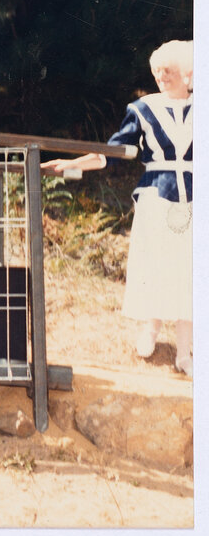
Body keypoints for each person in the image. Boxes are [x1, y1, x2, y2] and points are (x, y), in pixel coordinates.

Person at [42, 40, 193, 376]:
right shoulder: (142, 109)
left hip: (197, 200)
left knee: (191, 271)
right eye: (156, 71)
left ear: (187, 72)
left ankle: (186, 352)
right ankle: (149, 331)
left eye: (168, 71)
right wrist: (67, 165)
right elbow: (110, 153)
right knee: (155, 265)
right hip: (157, 196)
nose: (161, 77)